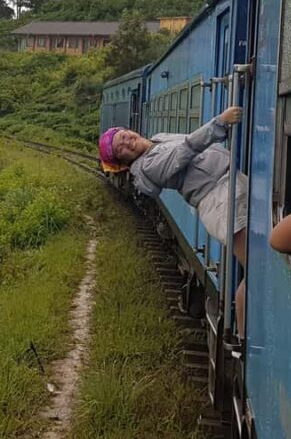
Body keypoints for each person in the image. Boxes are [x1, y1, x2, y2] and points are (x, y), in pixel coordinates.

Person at [99, 106, 248, 337]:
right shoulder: (148, 167)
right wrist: (220, 122)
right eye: (121, 148)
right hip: (219, 202)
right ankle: (244, 340)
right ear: (123, 162)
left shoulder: (158, 139)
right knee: (255, 266)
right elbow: (186, 149)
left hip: (229, 185)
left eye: (124, 135)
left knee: (256, 260)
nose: (127, 142)